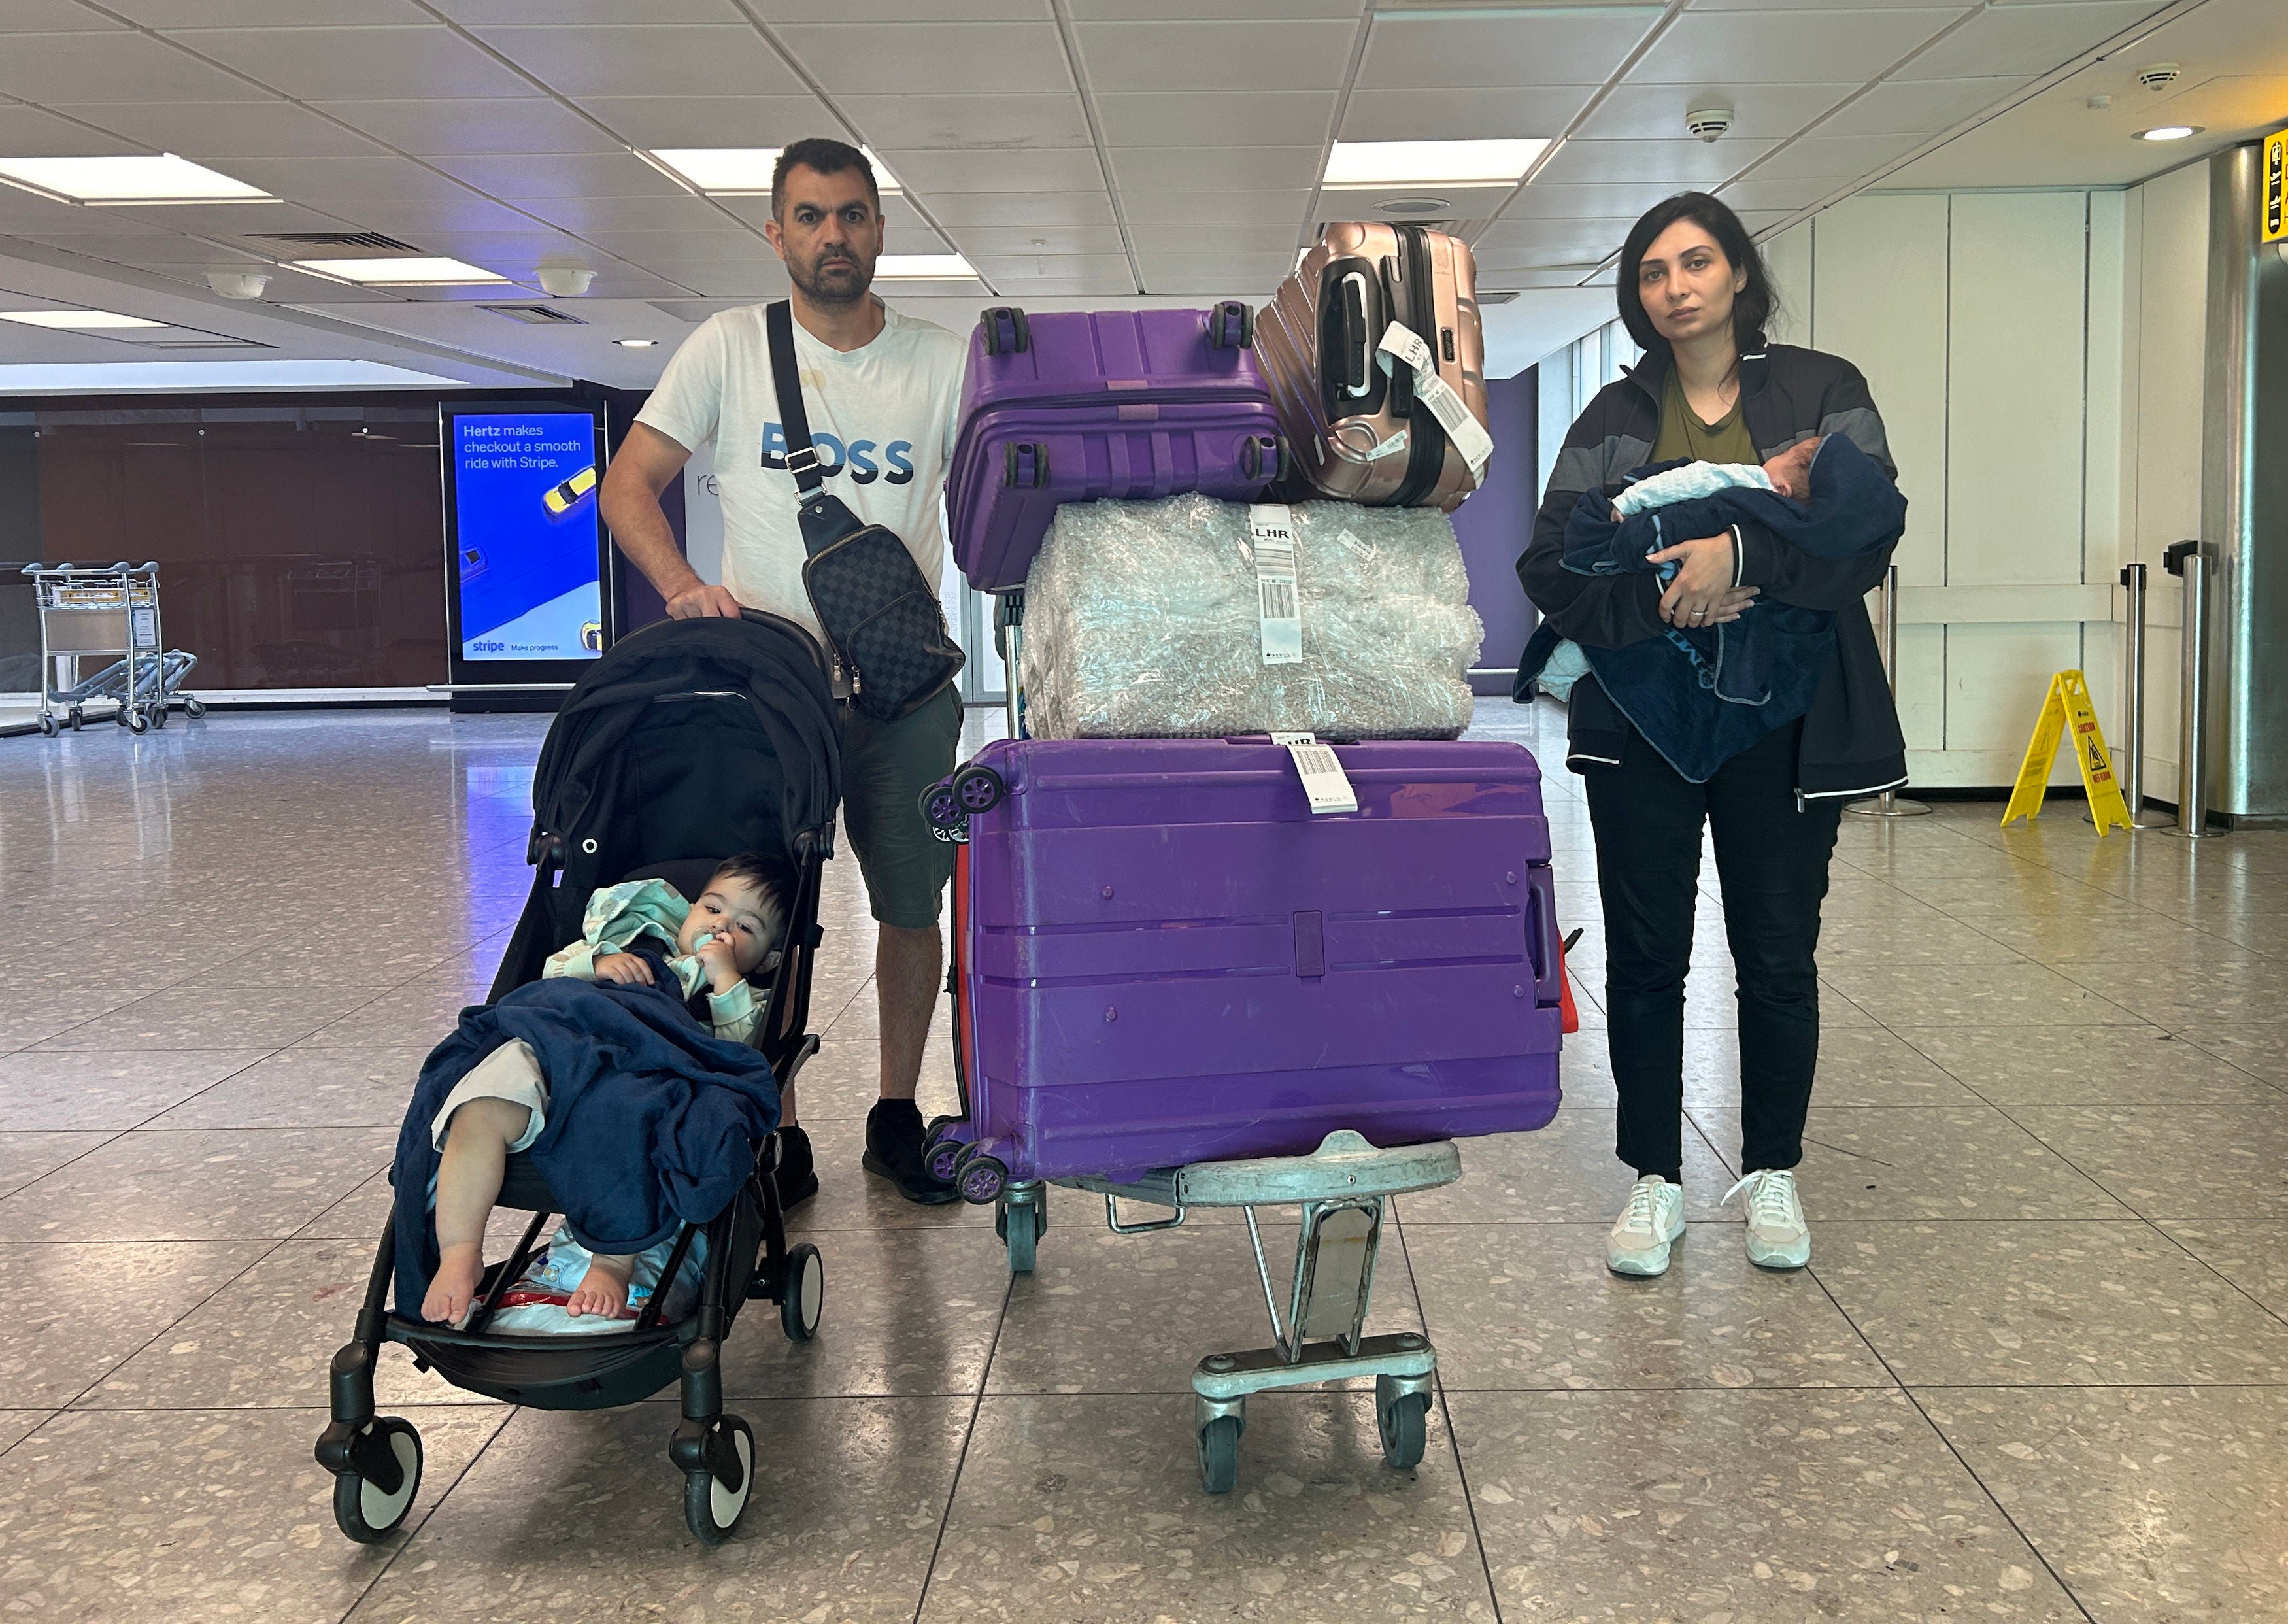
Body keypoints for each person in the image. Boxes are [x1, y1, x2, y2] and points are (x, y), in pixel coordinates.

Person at [1517, 192, 1908, 1279]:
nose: (1676, 285)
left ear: (1738, 273)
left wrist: (1738, 558)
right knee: (1645, 956)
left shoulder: (1824, 390)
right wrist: (1666, 598)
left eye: (1696, 262)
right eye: (1653, 271)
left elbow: (1860, 535)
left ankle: (1773, 1171)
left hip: (1789, 723)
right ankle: (1654, 1176)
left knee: (1776, 954)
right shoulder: (1610, 415)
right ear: (1638, 296)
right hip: (1642, 718)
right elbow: (1552, 563)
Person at [600, 137, 969, 1208]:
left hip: (903, 694)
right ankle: (778, 1119)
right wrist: (680, 586)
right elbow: (630, 486)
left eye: (852, 215)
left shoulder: (943, 362)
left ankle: (896, 1109)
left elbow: (1000, 504)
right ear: (777, 233)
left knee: (912, 904)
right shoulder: (727, 347)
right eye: (810, 217)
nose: (834, 236)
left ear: (881, 229)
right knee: (766, 911)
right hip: (767, 692)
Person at [420, 855, 788, 1326]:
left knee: (626, 1115)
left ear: (770, 959)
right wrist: (598, 964)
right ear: (689, 908)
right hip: (565, 1043)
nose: (720, 929)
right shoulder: (630, 940)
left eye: (744, 928)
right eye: (713, 910)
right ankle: (460, 1251)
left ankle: (613, 1262)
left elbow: (740, 1053)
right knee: (481, 1104)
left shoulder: (734, 992)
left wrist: (723, 977)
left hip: (643, 1068)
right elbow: (552, 978)